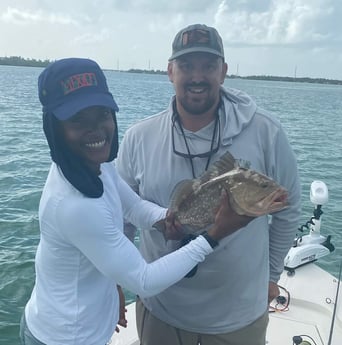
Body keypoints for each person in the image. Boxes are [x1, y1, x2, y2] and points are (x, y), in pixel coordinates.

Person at [19, 57, 253, 345]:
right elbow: (143, 280)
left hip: (76, 324)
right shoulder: (74, 205)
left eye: (103, 114)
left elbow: (132, 206)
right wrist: (214, 235)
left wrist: (166, 219)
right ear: (54, 129)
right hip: (64, 338)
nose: (97, 130)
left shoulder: (92, 164)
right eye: (78, 120)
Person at [116, 24, 301, 345]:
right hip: (161, 309)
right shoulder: (138, 138)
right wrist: (114, 281)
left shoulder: (266, 131)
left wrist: (271, 277)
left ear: (224, 71)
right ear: (170, 71)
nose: (197, 76)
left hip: (238, 316)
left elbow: (288, 209)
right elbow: (121, 218)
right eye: (187, 66)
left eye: (209, 66)